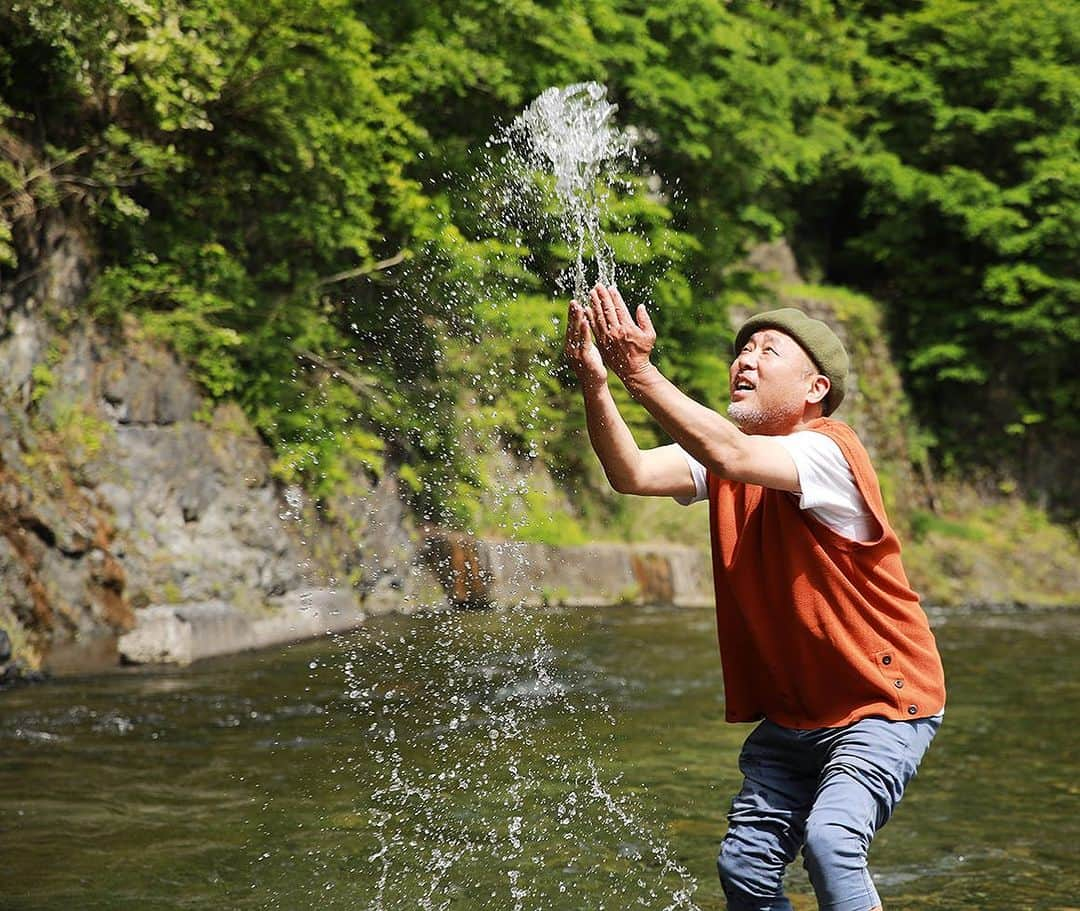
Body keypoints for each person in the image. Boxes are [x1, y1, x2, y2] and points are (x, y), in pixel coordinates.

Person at [564, 284, 946, 911]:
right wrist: (598, 384)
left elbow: (733, 452)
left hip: (882, 703)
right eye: (742, 348)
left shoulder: (829, 451)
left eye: (768, 351)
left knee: (832, 843)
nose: (745, 358)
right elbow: (630, 473)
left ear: (813, 388)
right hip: (794, 715)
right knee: (743, 866)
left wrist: (638, 370)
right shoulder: (725, 460)